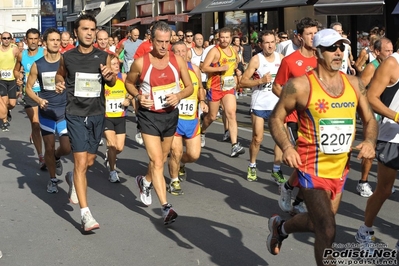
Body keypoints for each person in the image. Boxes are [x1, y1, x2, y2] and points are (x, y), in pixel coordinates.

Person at [266, 28, 377, 265]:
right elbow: (275, 118)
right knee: (327, 229)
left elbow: (370, 120)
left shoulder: (355, 84)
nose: (338, 52)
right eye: (331, 48)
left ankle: (281, 228)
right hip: (310, 169)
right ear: (317, 52)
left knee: (317, 223)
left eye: (341, 47)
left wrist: (369, 141)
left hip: (340, 170)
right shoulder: (300, 86)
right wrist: (287, 146)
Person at [124, 21, 193, 225]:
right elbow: (129, 82)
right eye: (159, 42)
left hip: (170, 115)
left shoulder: (177, 61)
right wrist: (138, 96)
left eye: (167, 41)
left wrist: (179, 95)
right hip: (148, 116)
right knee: (156, 160)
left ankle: (145, 181)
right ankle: (166, 207)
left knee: (162, 159)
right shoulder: (141, 62)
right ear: (151, 40)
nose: (164, 46)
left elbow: (189, 87)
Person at [54, 14, 116, 232]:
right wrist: (60, 83)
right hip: (75, 114)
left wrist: (110, 76)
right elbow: (59, 76)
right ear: (76, 32)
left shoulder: (104, 56)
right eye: (85, 29)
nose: (90, 33)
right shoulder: (67, 57)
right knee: (81, 163)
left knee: (89, 162)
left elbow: (112, 81)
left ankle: (72, 178)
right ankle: (85, 214)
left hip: (97, 114)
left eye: (93, 29)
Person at [272, 17, 318, 214]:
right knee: (303, 159)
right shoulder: (289, 61)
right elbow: (277, 86)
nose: (313, 37)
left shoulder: (322, 59)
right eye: (309, 34)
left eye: (315, 33)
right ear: (299, 37)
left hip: (317, 118)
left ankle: (295, 195)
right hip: (294, 119)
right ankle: (290, 190)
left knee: (313, 160)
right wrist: (290, 103)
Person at [355, 48, 399, 251]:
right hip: (391, 136)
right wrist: (396, 116)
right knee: (384, 189)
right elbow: (371, 97)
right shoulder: (392, 63)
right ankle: (365, 229)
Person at [25, 28, 71, 193]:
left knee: (66, 147)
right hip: (47, 111)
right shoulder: (39, 65)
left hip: (65, 110)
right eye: (52, 40)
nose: (55, 43)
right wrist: (38, 100)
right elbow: (28, 88)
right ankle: (52, 180)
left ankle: (57, 158)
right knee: (49, 148)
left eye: (58, 40)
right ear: (44, 42)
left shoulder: (67, 61)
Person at [239, 30, 283, 182]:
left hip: (277, 105)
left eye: (272, 42)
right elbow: (243, 81)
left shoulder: (281, 58)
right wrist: (260, 81)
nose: (270, 46)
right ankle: (252, 165)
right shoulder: (256, 60)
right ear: (261, 44)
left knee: (279, 139)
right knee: (257, 138)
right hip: (259, 103)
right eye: (267, 43)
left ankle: (276, 170)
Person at [167, 41, 208, 195]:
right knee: (176, 152)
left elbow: (201, 88)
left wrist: (202, 101)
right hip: (175, 119)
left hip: (192, 120)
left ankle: (180, 164)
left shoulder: (195, 69)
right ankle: (174, 181)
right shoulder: (170, 70)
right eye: (177, 51)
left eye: (183, 51)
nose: (180, 54)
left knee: (194, 155)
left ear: (187, 52)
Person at [357, 37, 393, 198]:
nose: (390, 54)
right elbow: (360, 89)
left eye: (392, 51)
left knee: (385, 151)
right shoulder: (373, 67)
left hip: (388, 113)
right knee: (370, 149)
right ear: (377, 52)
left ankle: (383, 183)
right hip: (374, 115)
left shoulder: (392, 66)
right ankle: (363, 182)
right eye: (387, 51)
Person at [200, 27, 245, 157]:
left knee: (231, 113)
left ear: (231, 38)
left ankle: (234, 145)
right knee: (212, 117)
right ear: (218, 38)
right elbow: (203, 68)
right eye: (222, 37)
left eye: (227, 37)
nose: (225, 40)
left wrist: (236, 71)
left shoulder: (233, 50)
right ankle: (202, 132)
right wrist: (220, 68)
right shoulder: (215, 51)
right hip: (215, 87)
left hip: (228, 87)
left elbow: (235, 63)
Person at [14, 28, 46, 169]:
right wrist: (18, 77)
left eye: (35, 39)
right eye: (30, 39)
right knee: (36, 124)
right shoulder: (22, 55)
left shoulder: (44, 53)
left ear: (39, 40)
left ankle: (36, 135)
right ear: (26, 40)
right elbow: (16, 70)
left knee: (45, 126)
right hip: (30, 93)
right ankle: (41, 157)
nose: (33, 41)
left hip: (45, 93)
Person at [103, 54, 131, 183]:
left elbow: (131, 91)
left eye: (117, 64)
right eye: (113, 64)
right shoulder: (103, 80)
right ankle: (112, 171)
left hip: (120, 116)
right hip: (106, 117)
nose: (117, 66)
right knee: (112, 145)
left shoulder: (123, 77)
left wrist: (128, 99)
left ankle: (110, 157)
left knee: (119, 148)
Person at [0, 31, 19, 132]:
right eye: (4, 38)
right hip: (1, 79)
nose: (6, 40)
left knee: (12, 104)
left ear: (11, 39)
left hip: (12, 79)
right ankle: (4, 121)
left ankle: (6, 111)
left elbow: (19, 62)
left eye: (8, 38)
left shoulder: (14, 49)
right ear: (1, 39)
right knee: (4, 101)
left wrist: (19, 73)